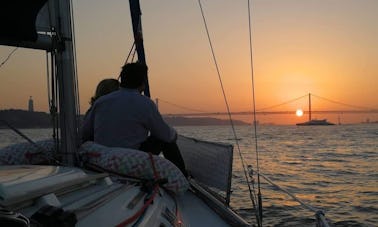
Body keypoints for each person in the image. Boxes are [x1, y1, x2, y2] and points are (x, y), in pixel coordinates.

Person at [81, 63, 187, 176]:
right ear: (143, 83)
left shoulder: (101, 102)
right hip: (131, 160)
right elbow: (166, 135)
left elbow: (85, 132)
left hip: (103, 159)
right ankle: (183, 176)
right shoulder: (146, 104)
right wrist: (174, 135)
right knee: (164, 139)